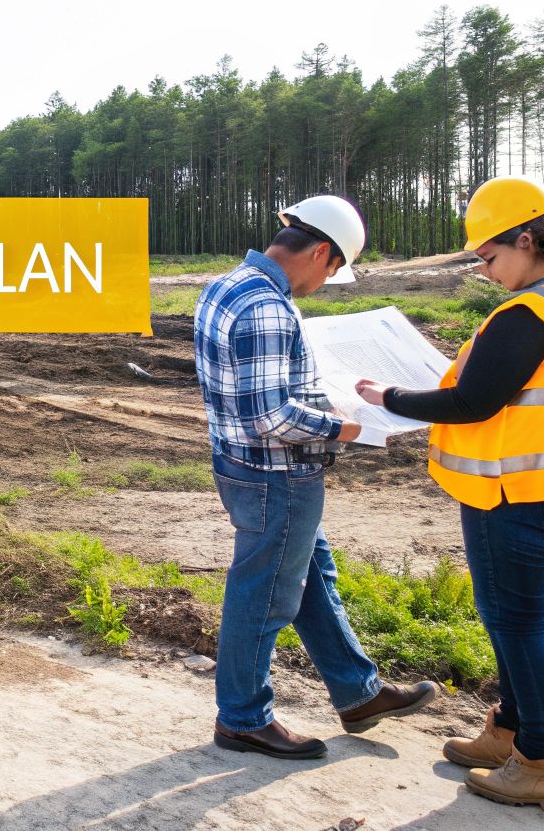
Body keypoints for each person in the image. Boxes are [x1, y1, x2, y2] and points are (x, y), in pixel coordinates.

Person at [356, 175, 544, 813]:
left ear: (527, 240)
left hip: (523, 492)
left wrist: (386, 397)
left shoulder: (532, 310)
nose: (486, 271)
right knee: (510, 619)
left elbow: (474, 401)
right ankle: (510, 732)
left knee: (518, 625)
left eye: (489, 257)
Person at [194, 195, 437, 760]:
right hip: (275, 474)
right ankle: (242, 719)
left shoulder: (227, 286)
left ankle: (359, 693)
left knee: (307, 577)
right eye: (332, 271)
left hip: (243, 466)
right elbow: (273, 417)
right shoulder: (268, 308)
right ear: (321, 251)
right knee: (265, 596)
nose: (326, 282)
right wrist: (348, 429)